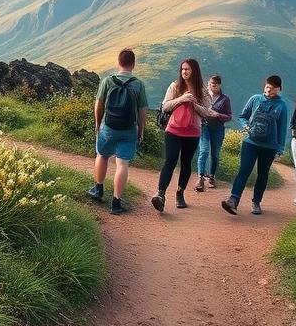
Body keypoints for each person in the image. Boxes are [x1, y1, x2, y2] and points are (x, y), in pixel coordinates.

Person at [87, 48, 148, 214]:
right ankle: (116, 203)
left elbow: (99, 104)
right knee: (122, 164)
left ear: (118, 62)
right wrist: (141, 129)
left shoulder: (108, 81)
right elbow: (142, 110)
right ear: (133, 65)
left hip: (109, 126)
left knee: (102, 155)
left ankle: (98, 189)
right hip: (128, 129)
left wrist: (98, 123)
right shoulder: (139, 84)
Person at [221, 75, 289, 216]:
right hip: (250, 142)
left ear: (278, 89)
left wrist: (280, 149)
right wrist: (245, 126)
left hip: (269, 146)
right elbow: (243, 116)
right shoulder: (255, 99)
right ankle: (233, 200)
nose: (268, 91)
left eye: (272, 89)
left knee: (262, 174)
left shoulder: (282, 106)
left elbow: (282, 128)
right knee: (244, 170)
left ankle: (256, 202)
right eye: (267, 87)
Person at [152, 59, 211, 212]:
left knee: (186, 163)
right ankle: (160, 195)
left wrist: (194, 103)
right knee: (170, 161)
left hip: (192, 132)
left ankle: (180, 193)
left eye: (188, 69)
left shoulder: (202, 91)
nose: (184, 72)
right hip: (174, 130)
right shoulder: (175, 86)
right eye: (182, 69)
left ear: (195, 71)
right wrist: (181, 99)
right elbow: (165, 105)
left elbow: (207, 112)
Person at [194, 74, 232, 191]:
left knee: (215, 154)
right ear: (208, 84)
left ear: (219, 85)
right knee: (204, 151)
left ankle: (211, 176)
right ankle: (200, 178)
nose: (212, 85)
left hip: (218, 129)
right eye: (211, 83)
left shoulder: (225, 99)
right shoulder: (202, 96)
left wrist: (218, 115)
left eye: (215, 84)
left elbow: (229, 116)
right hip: (204, 127)